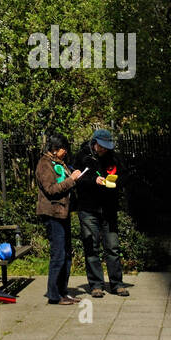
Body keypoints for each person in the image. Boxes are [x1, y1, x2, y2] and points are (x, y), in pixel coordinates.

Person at [73, 128, 129, 297]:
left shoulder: (114, 157)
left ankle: (117, 284)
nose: (104, 149)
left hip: (109, 209)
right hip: (88, 209)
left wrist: (115, 182)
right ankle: (96, 285)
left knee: (113, 247)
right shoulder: (82, 156)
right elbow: (76, 179)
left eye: (107, 147)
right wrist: (93, 180)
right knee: (92, 247)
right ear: (94, 143)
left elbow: (125, 176)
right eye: (102, 146)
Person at [35, 134, 82, 305]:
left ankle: (63, 291)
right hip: (52, 213)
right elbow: (51, 190)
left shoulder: (58, 163)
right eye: (63, 149)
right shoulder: (44, 164)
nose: (65, 152)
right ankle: (54, 294)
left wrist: (75, 177)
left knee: (66, 254)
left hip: (63, 212)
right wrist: (71, 180)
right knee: (58, 254)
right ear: (55, 149)